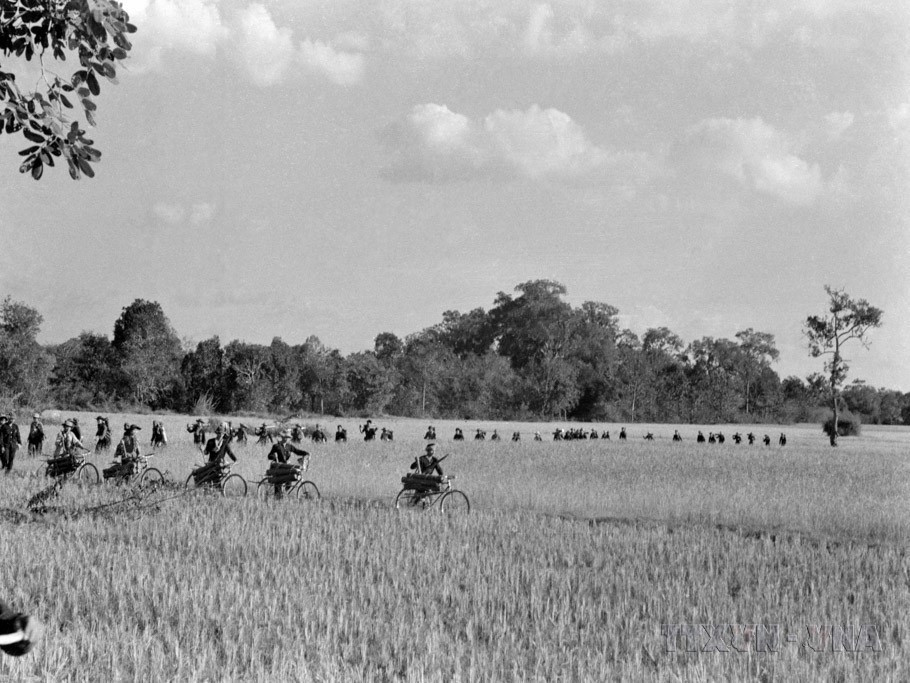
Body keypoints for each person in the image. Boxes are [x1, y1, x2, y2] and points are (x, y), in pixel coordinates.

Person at [266, 430, 310, 496]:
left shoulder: (289, 446)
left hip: (286, 467)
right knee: (278, 483)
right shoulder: (276, 446)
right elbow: (269, 456)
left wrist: (306, 453)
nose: (287, 439)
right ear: (282, 437)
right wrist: (274, 457)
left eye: (288, 437)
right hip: (278, 466)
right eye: (285, 437)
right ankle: (277, 496)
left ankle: (284, 493)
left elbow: (297, 451)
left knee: (289, 483)